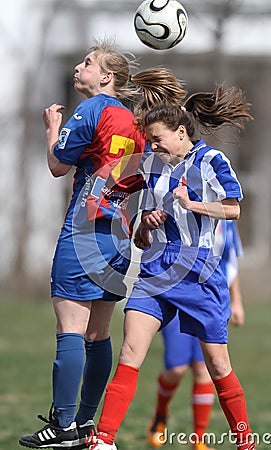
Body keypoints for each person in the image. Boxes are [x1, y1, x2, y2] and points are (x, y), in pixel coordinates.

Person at [19, 38, 187, 450]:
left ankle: (61, 426)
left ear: (107, 77)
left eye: (88, 63)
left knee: (70, 329)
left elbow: (59, 165)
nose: (79, 67)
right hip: (118, 235)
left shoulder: (94, 109)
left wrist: (52, 128)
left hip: (84, 229)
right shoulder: (136, 122)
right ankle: (86, 424)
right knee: (98, 333)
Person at [86, 87, 256, 450]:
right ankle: (103, 440)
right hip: (155, 269)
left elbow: (233, 210)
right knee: (130, 353)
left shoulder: (212, 161)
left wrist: (193, 205)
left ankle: (245, 442)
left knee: (217, 366)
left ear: (181, 133)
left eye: (158, 139)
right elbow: (141, 234)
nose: (154, 146)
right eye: (150, 140)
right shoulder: (150, 166)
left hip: (200, 271)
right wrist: (145, 223)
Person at [147, 220, 245, 450]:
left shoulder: (226, 219)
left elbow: (230, 262)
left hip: (209, 299)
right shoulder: (181, 202)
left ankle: (199, 440)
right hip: (176, 294)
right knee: (176, 368)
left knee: (205, 369)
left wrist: (237, 300)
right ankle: (161, 413)